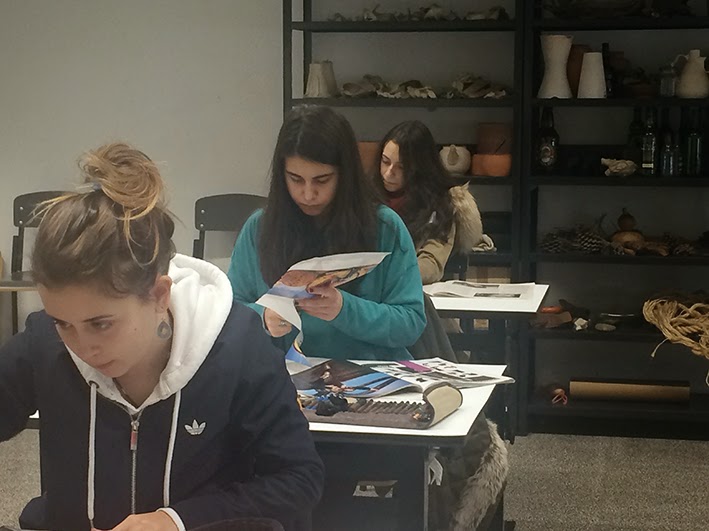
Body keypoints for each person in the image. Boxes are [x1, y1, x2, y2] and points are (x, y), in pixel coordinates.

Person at [0, 143, 323, 531]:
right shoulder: (43, 343)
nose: (82, 347)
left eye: (100, 324)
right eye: (62, 322)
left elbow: (297, 480)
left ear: (158, 296)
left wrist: (175, 521)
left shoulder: (238, 348)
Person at [227, 105, 425, 361]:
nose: (308, 194)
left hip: (370, 373)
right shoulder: (260, 228)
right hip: (285, 375)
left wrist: (344, 309)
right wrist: (262, 317)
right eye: (295, 179)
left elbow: (410, 323)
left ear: (345, 175)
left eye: (322, 180)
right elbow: (229, 313)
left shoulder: (385, 227)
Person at [374, 120, 484, 284]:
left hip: (406, 289)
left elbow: (431, 264)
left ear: (420, 168)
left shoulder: (440, 205)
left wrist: (388, 276)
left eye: (401, 167)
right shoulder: (365, 196)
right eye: (385, 161)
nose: (389, 173)